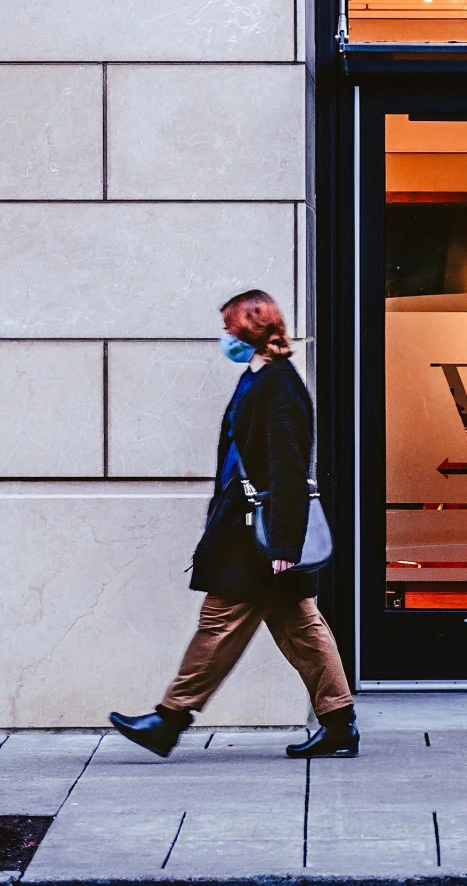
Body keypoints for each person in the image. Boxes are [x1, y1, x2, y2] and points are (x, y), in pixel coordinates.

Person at [109, 288, 359, 761]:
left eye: (230, 329)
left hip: (260, 536)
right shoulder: (258, 376)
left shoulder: (279, 385)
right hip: (250, 527)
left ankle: (170, 719)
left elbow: (288, 467)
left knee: (220, 621)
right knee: (302, 627)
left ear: (251, 331)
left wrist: (284, 542)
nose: (225, 337)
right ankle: (338, 724)